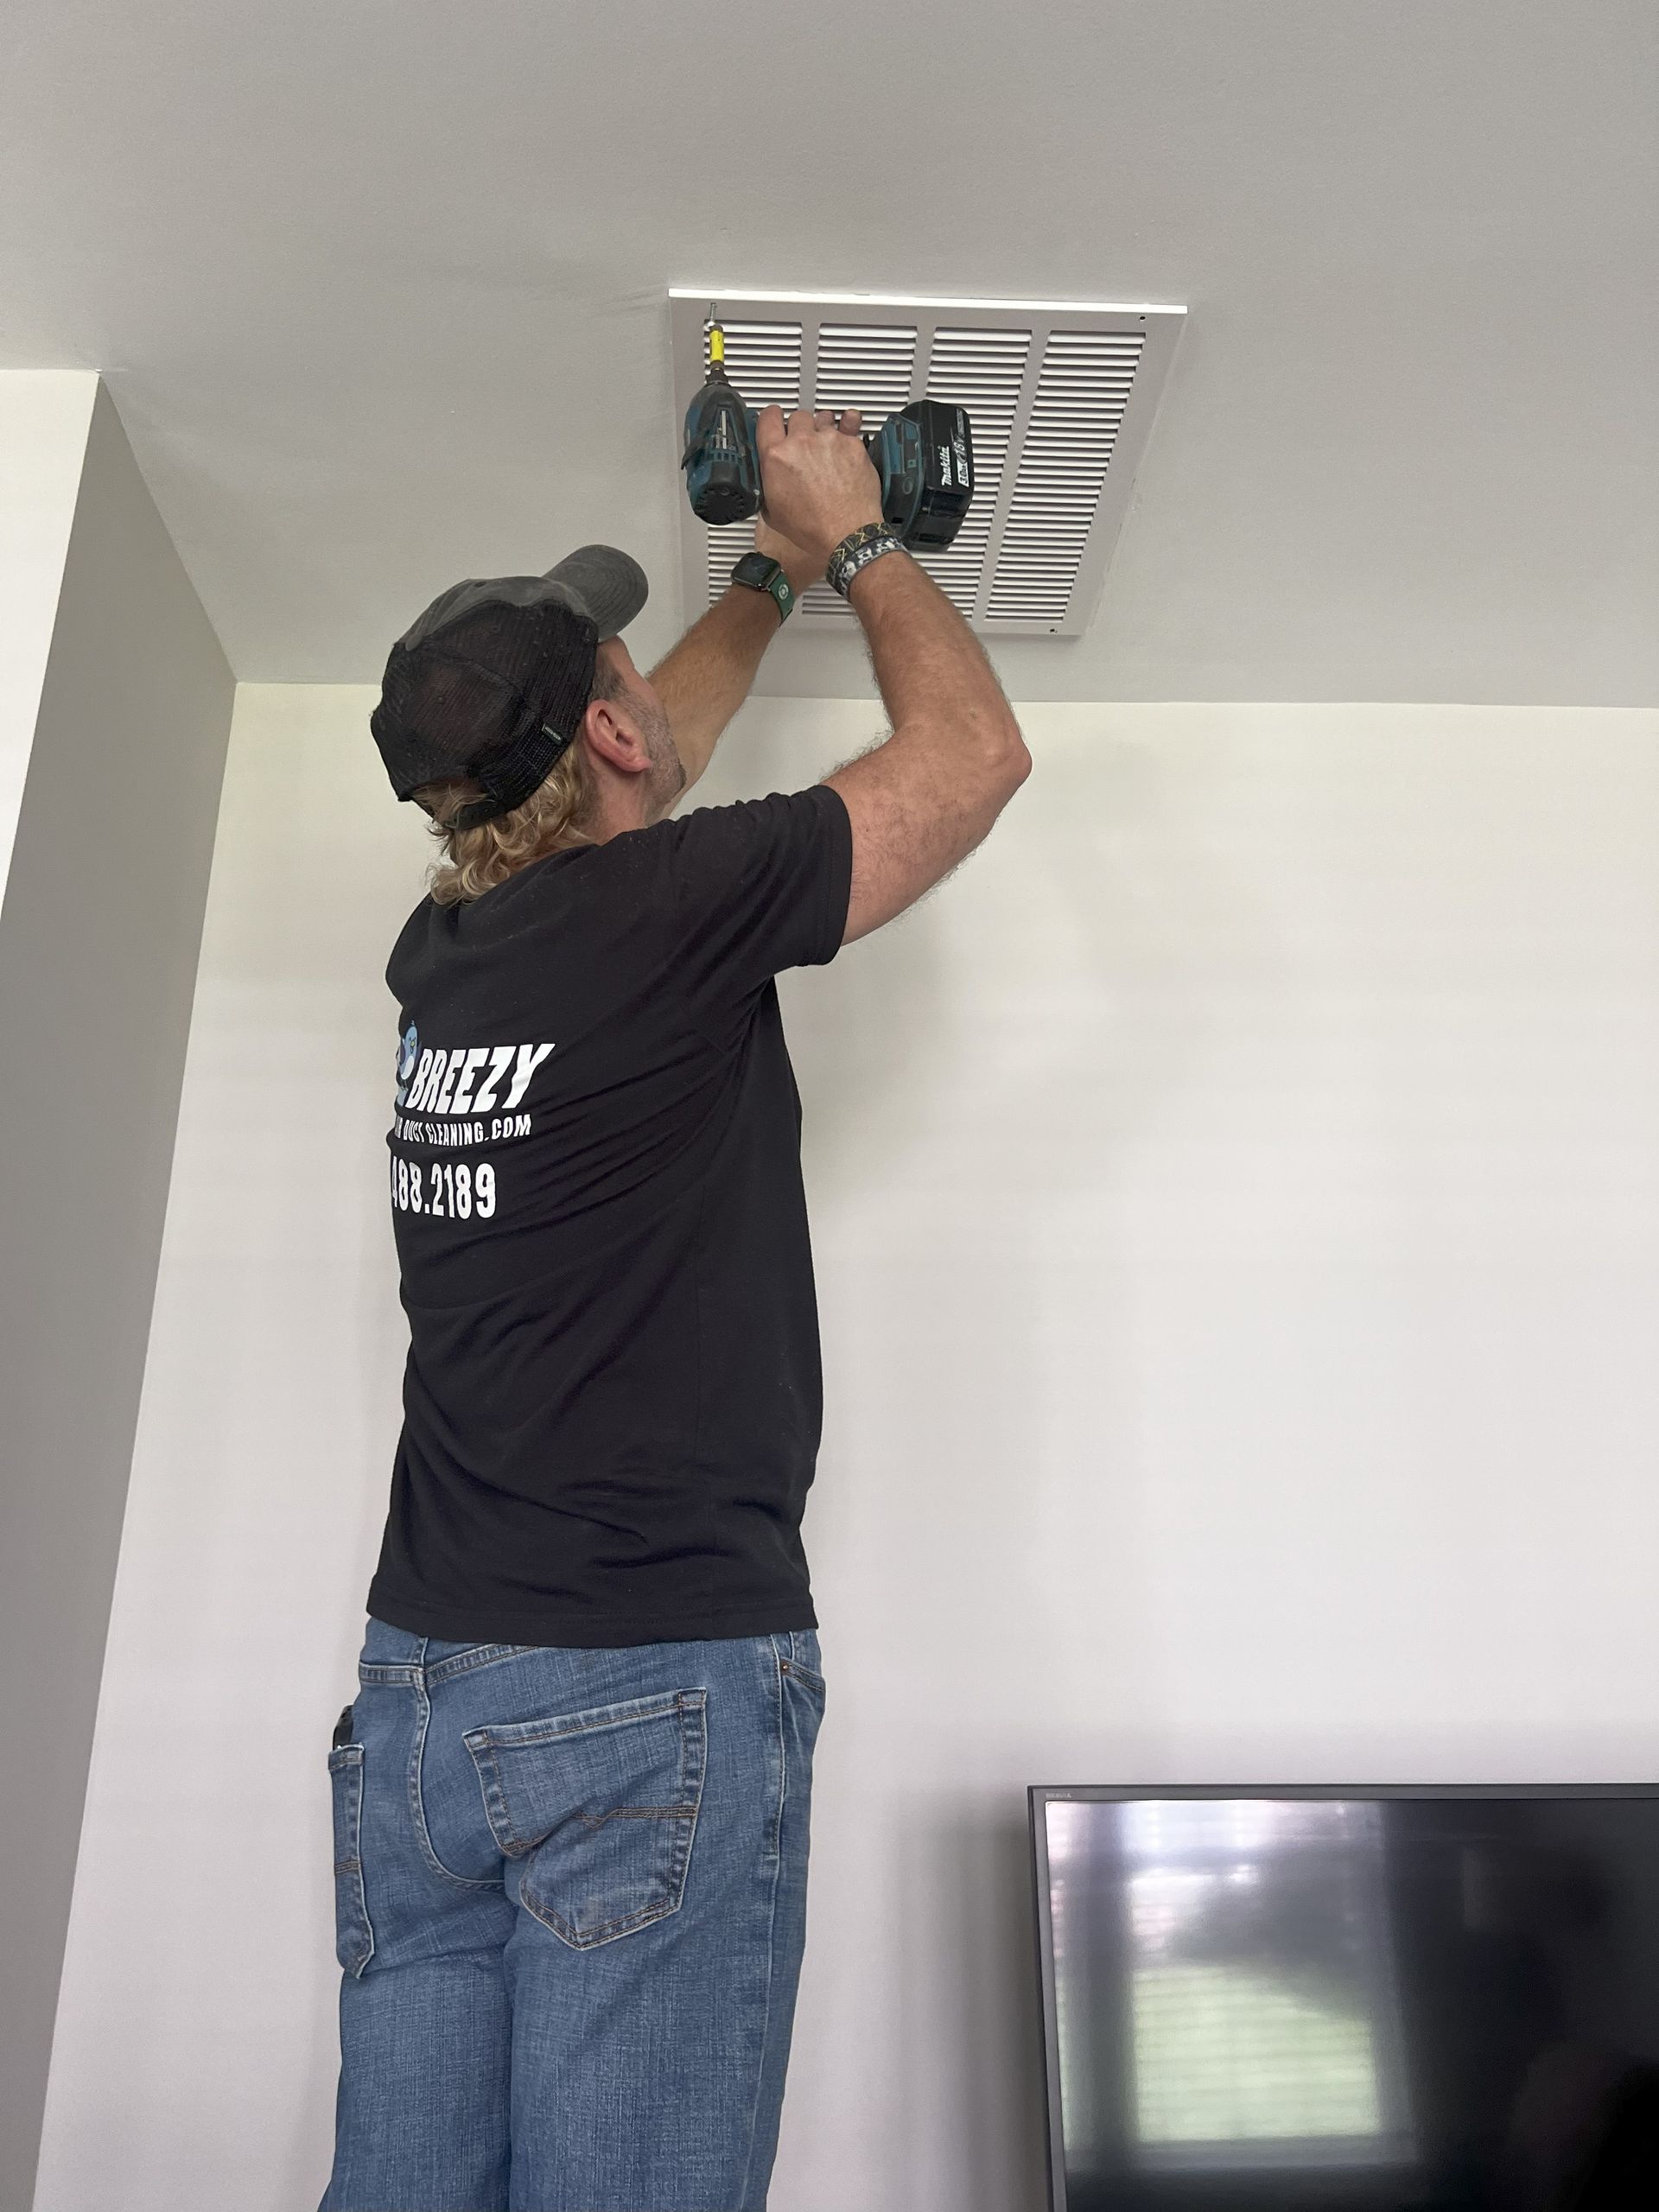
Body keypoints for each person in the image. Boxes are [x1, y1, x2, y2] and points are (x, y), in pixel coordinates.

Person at [321, 404, 1030, 2211]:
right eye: (630, 684)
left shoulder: (449, 946)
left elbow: (656, 742)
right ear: (612, 741)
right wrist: (864, 539)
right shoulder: (666, 911)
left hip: (431, 1694)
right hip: (634, 1688)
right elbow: (971, 757)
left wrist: (761, 574)